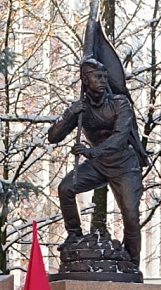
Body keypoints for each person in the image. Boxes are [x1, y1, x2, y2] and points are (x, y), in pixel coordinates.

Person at [47, 58, 146, 265]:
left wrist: (92, 152)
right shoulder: (81, 108)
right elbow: (53, 136)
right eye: (97, 77)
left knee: (130, 215)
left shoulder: (120, 103)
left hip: (124, 166)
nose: (103, 81)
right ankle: (74, 234)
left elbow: (120, 137)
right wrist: (70, 114)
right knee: (65, 188)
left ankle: (132, 262)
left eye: (104, 77)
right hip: (98, 165)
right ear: (85, 79)